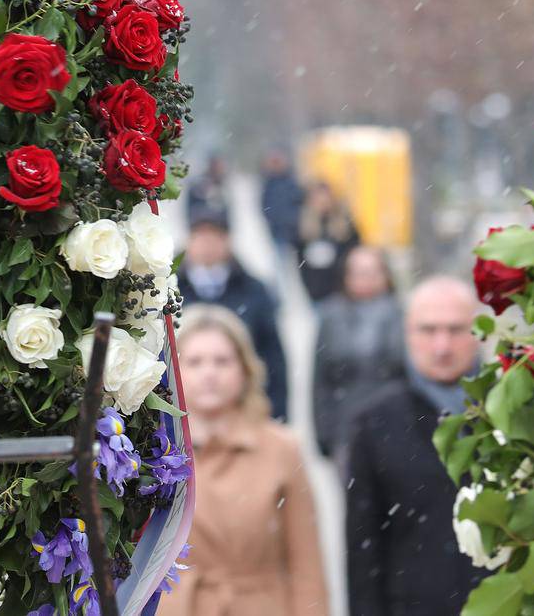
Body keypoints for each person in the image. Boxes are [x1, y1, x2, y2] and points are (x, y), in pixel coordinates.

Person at [159, 304, 327, 616]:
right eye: (194, 362)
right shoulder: (159, 451)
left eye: (222, 361)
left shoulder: (282, 449)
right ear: (175, 370)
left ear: (244, 370)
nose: (209, 373)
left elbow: (307, 565)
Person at [344, 275, 485, 615]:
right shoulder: (374, 423)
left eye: (455, 330)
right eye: (428, 330)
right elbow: (364, 549)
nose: (442, 346)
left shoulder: (512, 413)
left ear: (478, 332)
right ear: (408, 333)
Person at [176, 209, 288, 421]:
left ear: (227, 241)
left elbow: (273, 356)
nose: (207, 245)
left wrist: (278, 413)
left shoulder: (254, 289)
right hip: (182, 415)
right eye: (200, 237)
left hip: (242, 411)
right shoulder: (166, 288)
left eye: (214, 237)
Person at [311, 245, 404, 457]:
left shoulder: (401, 315)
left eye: (372, 272)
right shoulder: (330, 316)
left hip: (393, 424)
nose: (366, 279)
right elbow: (320, 380)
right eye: (359, 273)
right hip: (346, 425)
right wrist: (323, 432)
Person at [294, 181, 361, 304]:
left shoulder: (344, 225)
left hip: (341, 290)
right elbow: (301, 261)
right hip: (318, 290)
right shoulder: (305, 228)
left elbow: (354, 251)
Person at [258, 149, 304, 265]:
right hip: (278, 231)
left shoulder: (292, 180)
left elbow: (300, 200)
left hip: (295, 232)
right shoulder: (269, 182)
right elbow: (264, 205)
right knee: (281, 262)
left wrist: (293, 219)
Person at [185, 154, 230, 227]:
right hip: (199, 226)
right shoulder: (198, 184)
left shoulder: (223, 186)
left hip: (219, 229)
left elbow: (226, 213)